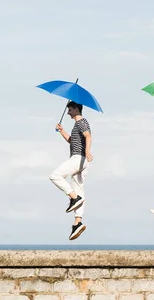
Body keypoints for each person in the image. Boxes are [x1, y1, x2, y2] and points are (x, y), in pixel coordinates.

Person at [51, 101, 93, 241]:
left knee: (55, 176)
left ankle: (73, 197)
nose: (68, 112)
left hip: (79, 158)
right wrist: (61, 130)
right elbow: (72, 141)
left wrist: (87, 151)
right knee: (79, 188)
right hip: (81, 160)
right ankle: (77, 223)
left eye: (70, 110)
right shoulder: (76, 125)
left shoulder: (81, 122)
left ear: (76, 109)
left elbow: (88, 136)